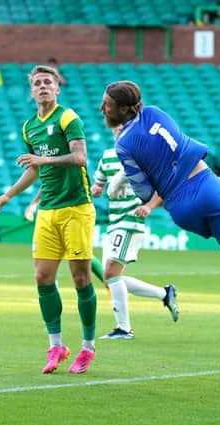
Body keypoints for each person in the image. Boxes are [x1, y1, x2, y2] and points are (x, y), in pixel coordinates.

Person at [100, 80, 220, 369]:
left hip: (180, 207)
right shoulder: (156, 113)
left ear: (120, 110)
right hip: (204, 184)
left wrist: (125, 180)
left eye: (106, 104)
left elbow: (145, 192)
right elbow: (180, 144)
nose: (101, 108)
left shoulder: (124, 144)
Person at [0, 65, 97, 374]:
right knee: (42, 278)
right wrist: (9, 194)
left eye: (48, 82)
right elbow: (35, 168)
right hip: (47, 210)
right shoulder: (29, 128)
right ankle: (56, 345)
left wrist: (44, 158)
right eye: (37, 83)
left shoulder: (68, 117)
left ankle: (88, 347)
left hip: (76, 208)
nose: (42, 86)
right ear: (31, 91)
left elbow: (80, 158)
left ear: (57, 88)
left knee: (81, 279)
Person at [92, 125, 179, 339]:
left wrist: (149, 206)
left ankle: (124, 329)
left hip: (131, 220)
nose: (120, 129)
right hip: (114, 222)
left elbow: (161, 187)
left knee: (111, 274)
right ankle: (164, 293)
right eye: (117, 127)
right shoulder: (107, 157)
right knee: (109, 278)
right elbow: (98, 186)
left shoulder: (142, 157)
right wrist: (96, 190)